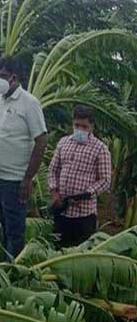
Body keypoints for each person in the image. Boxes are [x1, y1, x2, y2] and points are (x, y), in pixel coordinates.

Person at [0, 56, 47, 258]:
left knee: (15, 230)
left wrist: (28, 178)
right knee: (4, 224)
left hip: (16, 180)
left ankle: (15, 272)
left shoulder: (29, 103)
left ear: (14, 77)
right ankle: (5, 265)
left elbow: (41, 140)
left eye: (3, 76)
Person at [48, 106, 111, 247]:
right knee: (58, 250)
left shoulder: (100, 149)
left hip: (84, 214)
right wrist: (54, 192)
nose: (80, 129)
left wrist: (86, 194)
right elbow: (53, 170)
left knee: (80, 252)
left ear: (91, 127)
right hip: (61, 211)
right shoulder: (63, 142)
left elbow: (105, 180)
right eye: (77, 125)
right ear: (72, 123)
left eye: (84, 126)